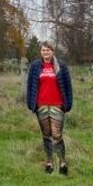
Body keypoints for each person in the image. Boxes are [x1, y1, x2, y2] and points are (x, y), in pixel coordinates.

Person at [26, 41, 73, 174]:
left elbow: (68, 86)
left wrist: (68, 104)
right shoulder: (35, 66)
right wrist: (30, 103)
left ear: (53, 51)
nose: (46, 52)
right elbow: (30, 86)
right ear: (41, 52)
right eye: (43, 50)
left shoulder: (60, 65)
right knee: (46, 135)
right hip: (41, 105)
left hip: (57, 105)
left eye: (48, 50)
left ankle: (63, 162)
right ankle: (49, 161)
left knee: (57, 134)